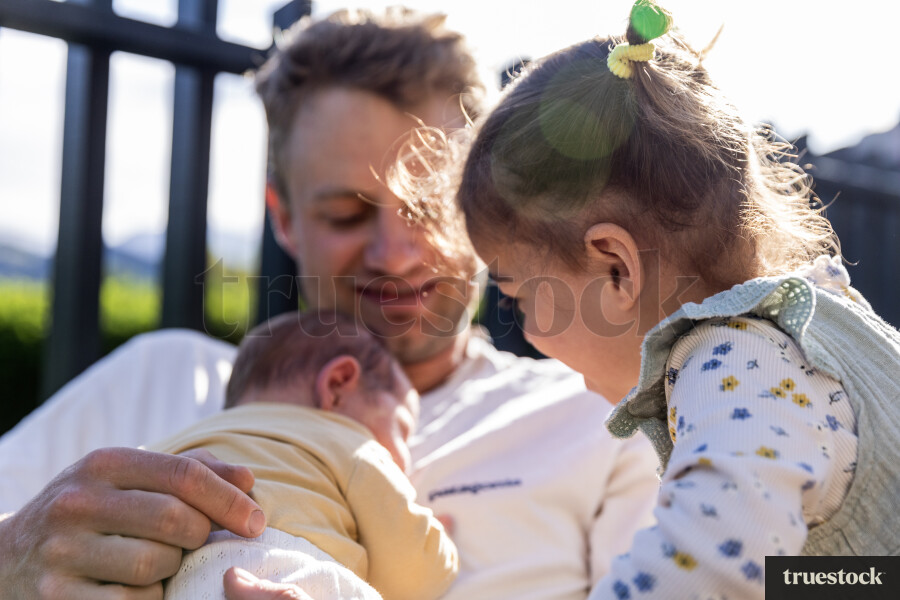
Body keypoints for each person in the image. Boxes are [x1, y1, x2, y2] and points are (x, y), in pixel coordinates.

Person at [0, 7, 659, 600]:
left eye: (430, 209)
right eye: (346, 214)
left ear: (485, 205)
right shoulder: (156, 379)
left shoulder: (603, 421)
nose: (396, 254)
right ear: (282, 217)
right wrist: (12, 557)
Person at [433, 0, 900, 597]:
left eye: (516, 295)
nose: (521, 329)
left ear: (617, 270)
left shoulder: (732, 365)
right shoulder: (801, 337)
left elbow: (708, 562)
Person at [155, 311, 456, 600]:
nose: (407, 456)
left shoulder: (175, 444)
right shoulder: (350, 444)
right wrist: (437, 543)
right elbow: (414, 576)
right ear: (338, 385)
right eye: (402, 429)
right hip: (296, 573)